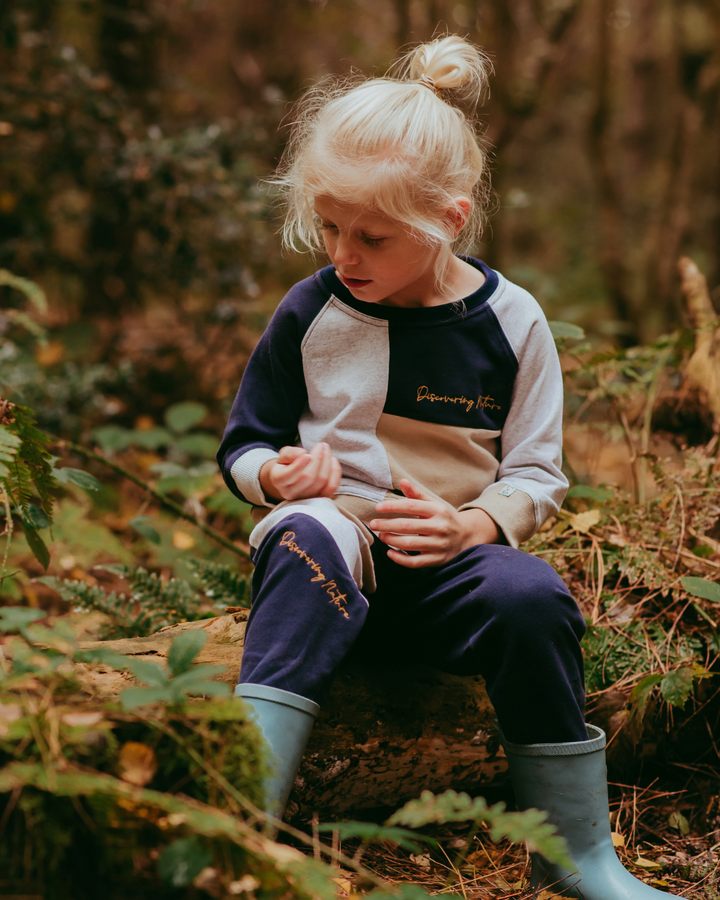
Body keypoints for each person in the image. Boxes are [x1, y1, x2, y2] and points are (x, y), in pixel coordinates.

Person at [218, 35, 685, 900]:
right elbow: (243, 444)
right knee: (312, 530)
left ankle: (576, 853)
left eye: (370, 236)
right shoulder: (311, 310)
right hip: (324, 563)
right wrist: (276, 478)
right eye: (327, 227)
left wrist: (474, 525)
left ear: (450, 220)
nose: (341, 254)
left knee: (533, 596)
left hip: (446, 572)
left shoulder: (513, 322)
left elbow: (539, 475)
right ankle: (241, 823)